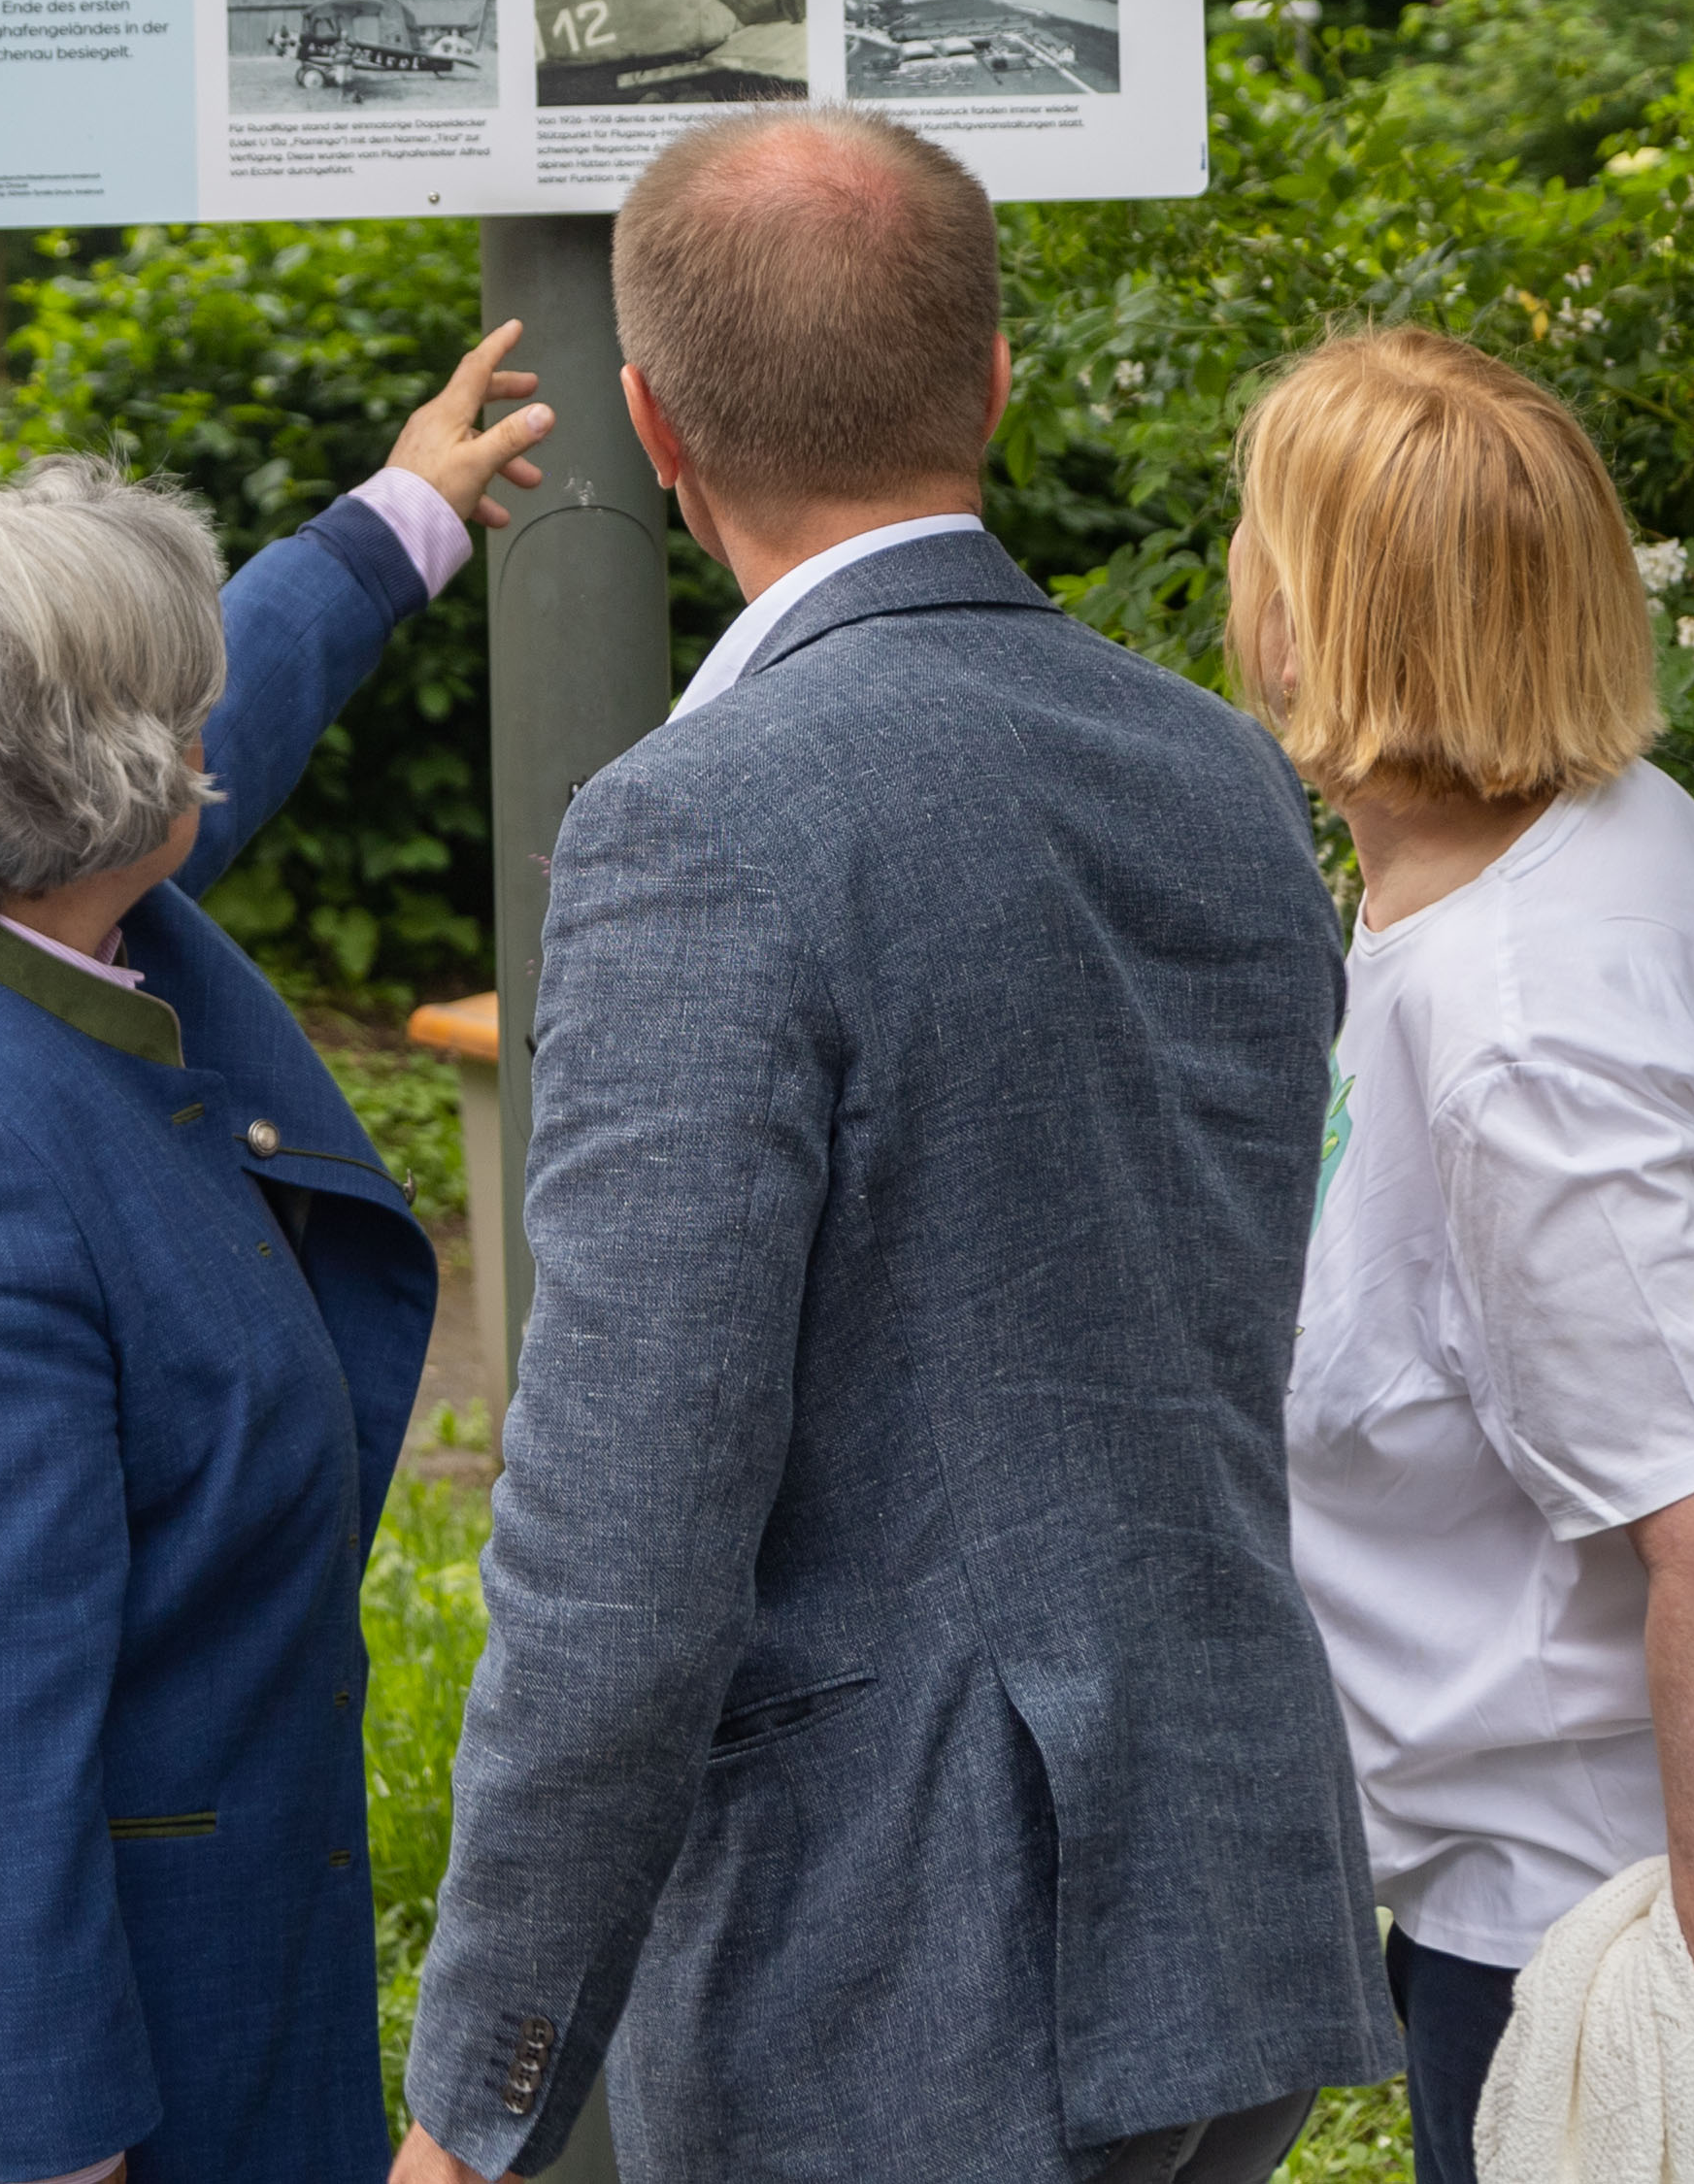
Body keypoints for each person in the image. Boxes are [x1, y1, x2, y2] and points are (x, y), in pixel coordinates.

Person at [397, 109, 1390, 2184]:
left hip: (898, 1967)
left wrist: (474, 2101)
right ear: (994, 381)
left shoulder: (696, 823)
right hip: (1231, 1883)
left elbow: (619, 1540)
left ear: (652, 428)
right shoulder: (1218, 768)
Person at [0, 339, 552, 2184]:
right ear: (135, 781)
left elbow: (185, 726)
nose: (215, 729)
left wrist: (392, 527)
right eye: (182, 708)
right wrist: (54, 2143)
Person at [1226, 330, 1694, 2184]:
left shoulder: (1525, 1027)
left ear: (1318, 617)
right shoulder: (1544, 850)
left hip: (1638, 1948)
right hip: (1590, 1882)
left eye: (1258, 532)